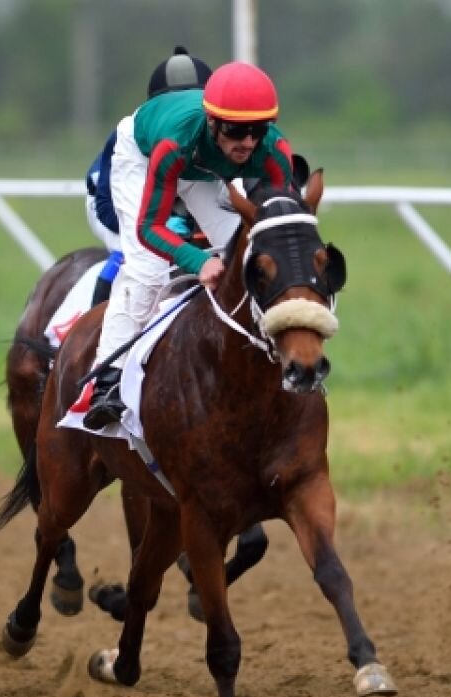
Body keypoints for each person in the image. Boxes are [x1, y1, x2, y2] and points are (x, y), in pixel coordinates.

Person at [82, 60, 295, 430]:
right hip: (146, 153)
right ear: (213, 123)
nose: (247, 143)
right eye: (236, 131)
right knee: (148, 269)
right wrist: (196, 260)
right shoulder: (173, 144)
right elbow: (150, 228)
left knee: (245, 251)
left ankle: (273, 354)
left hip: (201, 162)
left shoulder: (274, 152)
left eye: (257, 131)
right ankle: (107, 380)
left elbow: (280, 231)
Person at [84, 45, 212, 307]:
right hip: (110, 204)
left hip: (174, 210)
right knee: (138, 259)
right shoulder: (131, 134)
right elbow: (107, 205)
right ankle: (94, 332)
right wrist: (168, 230)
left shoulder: (213, 130)